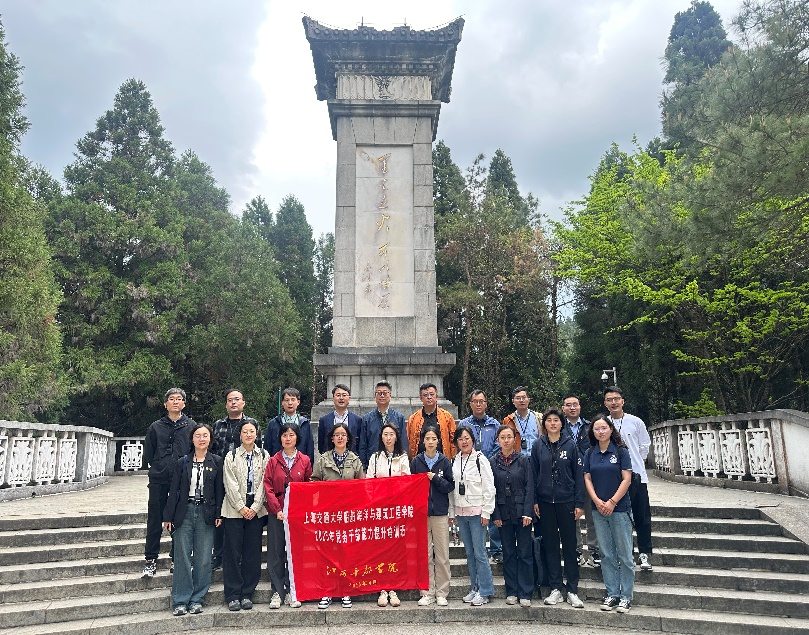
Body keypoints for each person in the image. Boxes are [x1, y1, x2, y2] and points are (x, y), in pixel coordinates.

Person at [162, 423, 224, 616]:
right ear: (192, 439)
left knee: (204, 558)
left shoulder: (216, 461)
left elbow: (219, 491)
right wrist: (168, 516)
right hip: (185, 511)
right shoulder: (183, 462)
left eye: (205, 435)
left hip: (206, 512)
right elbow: (174, 490)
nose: (201, 439)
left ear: (210, 439)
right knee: (182, 557)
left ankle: (197, 599)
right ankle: (180, 600)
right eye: (198, 435)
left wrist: (218, 514)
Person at [531, 408, 585, 609]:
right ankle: (556, 587)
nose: (553, 423)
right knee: (551, 545)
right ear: (544, 424)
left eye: (556, 420)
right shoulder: (538, 445)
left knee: (570, 546)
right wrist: (534, 500)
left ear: (562, 424)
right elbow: (533, 474)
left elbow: (578, 474)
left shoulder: (570, 445)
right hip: (545, 502)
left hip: (566, 502)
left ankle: (572, 589)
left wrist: (579, 503)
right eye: (549, 420)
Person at [584, 414, 634, 613]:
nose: (600, 431)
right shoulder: (590, 452)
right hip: (598, 509)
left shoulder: (621, 451)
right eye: (597, 428)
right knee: (606, 554)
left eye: (604, 428)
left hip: (619, 509)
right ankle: (612, 593)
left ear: (611, 429)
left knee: (625, 555)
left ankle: (626, 596)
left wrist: (612, 502)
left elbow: (627, 479)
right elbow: (587, 478)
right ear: (592, 432)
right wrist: (597, 501)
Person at [142, 388, 194, 578]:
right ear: (165, 404)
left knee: (180, 520)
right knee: (155, 519)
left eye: (179, 399)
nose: (175, 402)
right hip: (159, 478)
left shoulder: (191, 426)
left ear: (184, 403)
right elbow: (149, 453)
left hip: (182, 480)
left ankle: (176, 558)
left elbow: (194, 451)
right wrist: (159, 466)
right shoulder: (155, 427)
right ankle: (150, 560)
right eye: (171, 399)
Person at [311, 422, 364, 609]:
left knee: (347, 553)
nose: (340, 437)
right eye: (337, 435)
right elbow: (314, 481)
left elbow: (362, 486)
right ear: (332, 438)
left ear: (348, 438)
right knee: (327, 554)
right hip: (329, 514)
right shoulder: (323, 460)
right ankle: (327, 591)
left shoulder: (355, 460)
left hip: (348, 515)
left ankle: (345, 590)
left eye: (343, 435)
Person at [211, 388, 262, 571]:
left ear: (243, 403)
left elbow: (258, 450)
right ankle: (218, 555)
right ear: (226, 404)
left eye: (237, 399)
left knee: (242, 522)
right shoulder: (218, 425)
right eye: (230, 400)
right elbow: (212, 449)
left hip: (245, 479)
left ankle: (240, 557)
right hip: (221, 476)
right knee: (221, 515)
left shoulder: (251, 424)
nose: (233, 402)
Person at [264, 421, 313, 609]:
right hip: (277, 513)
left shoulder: (305, 460)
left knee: (296, 553)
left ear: (297, 438)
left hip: (296, 515)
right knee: (276, 553)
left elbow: (308, 486)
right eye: (284, 435)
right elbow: (268, 486)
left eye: (291, 435)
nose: (288, 438)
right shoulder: (273, 460)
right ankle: (277, 591)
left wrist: (299, 510)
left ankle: (294, 590)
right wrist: (277, 509)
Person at [604, 386, 654, 571]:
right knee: (620, 518)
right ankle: (625, 554)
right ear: (605, 403)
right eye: (610, 400)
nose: (614, 402)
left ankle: (644, 553)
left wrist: (634, 465)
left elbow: (644, 446)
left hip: (636, 476)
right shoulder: (604, 424)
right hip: (614, 479)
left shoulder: (636, 422)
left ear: (622, 401)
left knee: (642, 516)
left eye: (616, 399)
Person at [220, 420, 268, 612]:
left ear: (257, 434)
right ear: (239, 435)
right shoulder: (231, 455)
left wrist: (255, 507)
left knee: (252, 552)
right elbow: (229, 484)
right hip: (234, 510)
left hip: (256, 509)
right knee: (232, 553)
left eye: (252, 431)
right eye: (245, 431)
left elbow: (265, 482)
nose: (248, 434)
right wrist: (241, 507)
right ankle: (233, 594)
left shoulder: (264, 455)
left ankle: (248, 592)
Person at [448, 425, 495, 607]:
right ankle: (474, 587)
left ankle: (485, 590)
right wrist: (452, 512)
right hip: (461, 513)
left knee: (480, 553)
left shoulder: (480, 459)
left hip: (477, 513)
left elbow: (489, 487)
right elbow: (452, 489)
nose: (464, 442)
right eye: (460, 439)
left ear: (472, 440)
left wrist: (487, 512)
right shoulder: (454, 460)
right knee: (469, 553)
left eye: (467, 438)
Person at [366, 422, 410, 607]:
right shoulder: (375, 458)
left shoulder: (403, 457)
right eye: (385, 434)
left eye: (391, 434)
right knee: (380, 550)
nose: (388, 437)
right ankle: (382, 589)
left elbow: (407, 482)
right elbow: (369, 482)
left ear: (396, 437)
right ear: (381, 437)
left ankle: (394, 588)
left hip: (397, 510)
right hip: (379, 510)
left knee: (396, 549)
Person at [490, 425, 534, 607]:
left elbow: (530, 487)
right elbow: (490, 490)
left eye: (509, 437)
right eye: (503, 437)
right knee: (508, 553)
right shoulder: (493, 462)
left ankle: (525, 592)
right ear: (498, 440)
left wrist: (528, 512)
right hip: (503, 513)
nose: (506, 440)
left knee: (524, 553)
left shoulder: (523, 460)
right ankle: (512, 591)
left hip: (522, 513)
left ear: (515, 439)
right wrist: (495, 514)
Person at [410, 426, 454, 607]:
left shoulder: (444, 461)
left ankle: (442, 592)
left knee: (442, 555)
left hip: (440, 513)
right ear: (423, 441)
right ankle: (427, 592)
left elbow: (449, 486)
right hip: (421, 514)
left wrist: (435, 478)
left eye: (433, 438)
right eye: (427, 438)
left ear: (438, 441)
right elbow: (411, 487)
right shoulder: (416, 462)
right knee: (425, 555)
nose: (430, 442)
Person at [458, 390, 502, 564]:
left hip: (491, 468)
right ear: (470, 404)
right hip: (470, 472)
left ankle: (496, 549)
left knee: (491, 507)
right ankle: (478, 549)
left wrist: (484, 460)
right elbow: (460, 444)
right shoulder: (464, 423)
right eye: (475, 401)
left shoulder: (494, 424)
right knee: (476, 509)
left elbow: (499, 445)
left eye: (481, 401)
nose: (478, 404)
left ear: (486, 404)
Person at [561, 393, 599, 567]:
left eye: (575, 404)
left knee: (592, 515)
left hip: (589, 477)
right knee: (572, 517)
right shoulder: (559, 428)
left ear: (580, 407)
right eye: (568, 405)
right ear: (563, 408)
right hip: (568, 478)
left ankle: (594, 550)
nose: (572, 408)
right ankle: (575, 550)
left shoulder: (589, 427)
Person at [359, 381, 408, 469]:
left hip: (395, 464)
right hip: (373, 464)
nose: (382, 396)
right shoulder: (367, 419)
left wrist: (404, 463)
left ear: (390, 395)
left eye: (385, 393)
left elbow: (403, 442)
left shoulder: (399, 417)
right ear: (375, 396)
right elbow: (363, 445)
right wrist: (363, 467)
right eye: (379, 393)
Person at [406, 383, 457, 460]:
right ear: (421, 398)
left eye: (432, 394)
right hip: (419, 462)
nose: (429, 397)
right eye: (425, 395)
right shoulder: (413, 419)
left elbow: (453, 441)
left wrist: (452, 460)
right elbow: (408, 440)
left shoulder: (447, 417)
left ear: (436, 397)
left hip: (442, 461)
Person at [263, 388, 315, 464]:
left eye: (293, 400)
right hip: (277, 465)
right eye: (287, 400)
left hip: (300, 465)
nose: (290, 403)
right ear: (282, 403)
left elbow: (309, 448)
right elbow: (267, 447)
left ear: (298, 402)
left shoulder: (305, 424)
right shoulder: (273, 423)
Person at [318, 384, 363, 455]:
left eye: (344, 395)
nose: (341, 398)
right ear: (333, 398)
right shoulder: (324, 420)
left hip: (351, 459)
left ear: (349, 398)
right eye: (338, 395)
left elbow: (360, 444)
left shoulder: (357, 420)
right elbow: (321, 445)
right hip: (330, 459)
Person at [502, 386, 540, 456]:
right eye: (518, 398)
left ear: (529, 400)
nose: (521, 400)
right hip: (516, 459)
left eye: (524, 397)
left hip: (536, 459)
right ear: (513, 401)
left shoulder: (539, 418)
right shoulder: (508, 420)